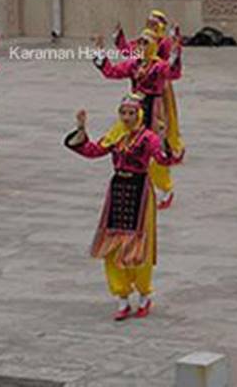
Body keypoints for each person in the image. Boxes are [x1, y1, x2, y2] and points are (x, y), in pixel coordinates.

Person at [65, 95, 183, 320]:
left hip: (140, 192)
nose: (127, 118)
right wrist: (81, 129)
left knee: (139, 246)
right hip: (118, 190)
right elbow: (92, 151)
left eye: (131, 113)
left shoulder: (148, 138)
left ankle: (144, 293)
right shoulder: (115, 135)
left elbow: (164, 160)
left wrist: (163, 137)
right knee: (112, 246)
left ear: (139, 114)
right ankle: (121, 297)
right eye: (123, 113)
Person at [94, 28, 185, 210]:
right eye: (140, 42)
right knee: (118, 140)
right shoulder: (134, 65)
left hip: (152, 110)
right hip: (133, 109)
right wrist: (99, 54)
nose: (142, 46)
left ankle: (164, 188)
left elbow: (174, 73)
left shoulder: (158, 67)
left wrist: (176, 53)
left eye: (146, 43)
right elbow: (111, 72)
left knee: (153, 148)